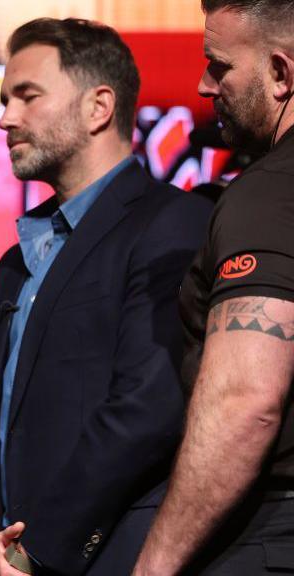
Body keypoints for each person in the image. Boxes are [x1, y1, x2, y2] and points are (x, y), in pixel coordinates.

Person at [0, 18, 212, 575]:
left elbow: (148, 408)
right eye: (6, 100)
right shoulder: (14, 260)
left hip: (110, 558)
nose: (7, 118)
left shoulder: (172, 225)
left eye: (28, 96)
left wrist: (33, 551)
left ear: (98, 107)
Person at [134, 1, 294, 574]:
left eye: (219, 65)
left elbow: (244, 402)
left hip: (269, 536)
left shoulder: (269, 195)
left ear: (281, 74)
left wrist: (155, 565)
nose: (204, 85)